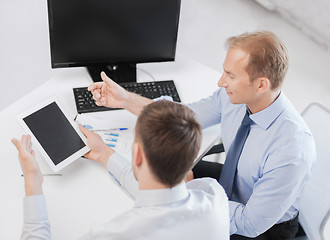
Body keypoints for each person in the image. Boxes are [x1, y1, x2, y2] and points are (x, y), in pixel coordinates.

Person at [88, 31, 316, 239]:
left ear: (261, 85)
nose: (220, 82)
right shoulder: (233, 98)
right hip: (231, 184)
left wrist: (186, 197)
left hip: (264, 228)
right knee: (161, 174)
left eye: (230, 75)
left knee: (165, 194)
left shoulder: (292, 150)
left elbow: (250, 223)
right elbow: (180, 116)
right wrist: (125, 99)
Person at [12, 100, 230, 240]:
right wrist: (103, 153)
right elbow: (162, 195)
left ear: (136, 155)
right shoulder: (214, 195)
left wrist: (32, 182)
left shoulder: (114, 234)